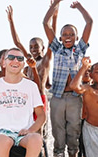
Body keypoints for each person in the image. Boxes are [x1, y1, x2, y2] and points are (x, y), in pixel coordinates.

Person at [43, 0, 93, 157]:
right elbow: (45, 24)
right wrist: (55, 4)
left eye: (71, 34)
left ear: (77, 37)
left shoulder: (80, 50)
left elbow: (89, 23)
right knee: (59, 139)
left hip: (74, 99)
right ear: (61, 38)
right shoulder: (57, 49)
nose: (68, 37)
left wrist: (79, 7)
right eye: (64, 34)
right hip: (57, 98)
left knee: (73, 138)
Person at [6, 4, 59, 139]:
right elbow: (17, 43)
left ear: (42, 48)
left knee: (39, 130)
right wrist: (11, 21)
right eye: (31, 47)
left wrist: (54, 17)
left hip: (40, 98)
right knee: (27, 127)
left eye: (36, 46)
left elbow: (52, 39)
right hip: (28, 99)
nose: (33, 49)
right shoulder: (29, 61)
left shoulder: (45, 60)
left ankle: (39, 153)